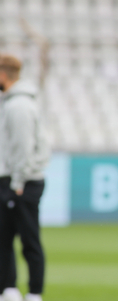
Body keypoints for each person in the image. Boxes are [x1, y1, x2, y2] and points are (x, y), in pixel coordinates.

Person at [0, 54, 50, 301]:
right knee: (5, 238)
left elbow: (22, 147)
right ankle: (9, 289)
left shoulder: (17, 105)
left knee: (29, 239)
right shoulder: (14, 102)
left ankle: (33, 293)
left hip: (21, 182)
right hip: (17, 180)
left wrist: (17, 183)